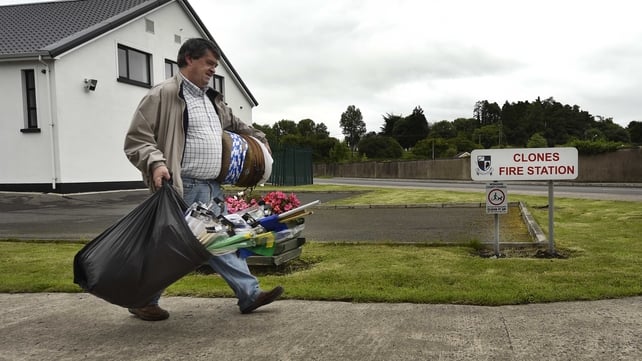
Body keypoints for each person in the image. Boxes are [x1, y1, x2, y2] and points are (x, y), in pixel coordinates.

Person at [123, 38, 283, 321]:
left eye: (215, 65)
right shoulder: (162, 95)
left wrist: (260, 139)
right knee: (175, 247)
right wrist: (157, 163)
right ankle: (143, 299)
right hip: (183, 186)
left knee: (220, 242)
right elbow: (138, 139)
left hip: (212, 187)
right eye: (209, 63)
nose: (212, 70)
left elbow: (239, 126)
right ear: (188, 59)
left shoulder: (213, 100)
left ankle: (248, 294)